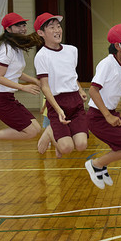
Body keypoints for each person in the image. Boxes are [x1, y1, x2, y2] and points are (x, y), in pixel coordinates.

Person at [84, 24, 121, 189]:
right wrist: (108, 116)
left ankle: (101, 166)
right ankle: (95, 164)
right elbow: (93, 90)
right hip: (97, 116)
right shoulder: (107, 64)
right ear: (119, 45)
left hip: (111, 113)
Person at [0, 12, 44, 156]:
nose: (23, 28)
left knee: (35, 128)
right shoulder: (7, 50)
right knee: (31, 132)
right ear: (8, 29)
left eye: (23, 25)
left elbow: (16, 72)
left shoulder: (16, 47)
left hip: (8, 98)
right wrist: (23, 87)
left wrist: (34, 80)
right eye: (18, 26)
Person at [34, 12, 88, 158]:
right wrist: (58, 110)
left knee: (82, 145)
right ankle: (50, 132)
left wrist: (80, 89)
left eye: (58, 26)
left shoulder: (72, 50)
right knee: (66, 148)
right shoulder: (41, 56)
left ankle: (53, 131)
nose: (57, 30)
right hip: (57, 101)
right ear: (41, 33)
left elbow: (70, 75)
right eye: (52, 27)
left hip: (75, 101)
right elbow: (44, 86)